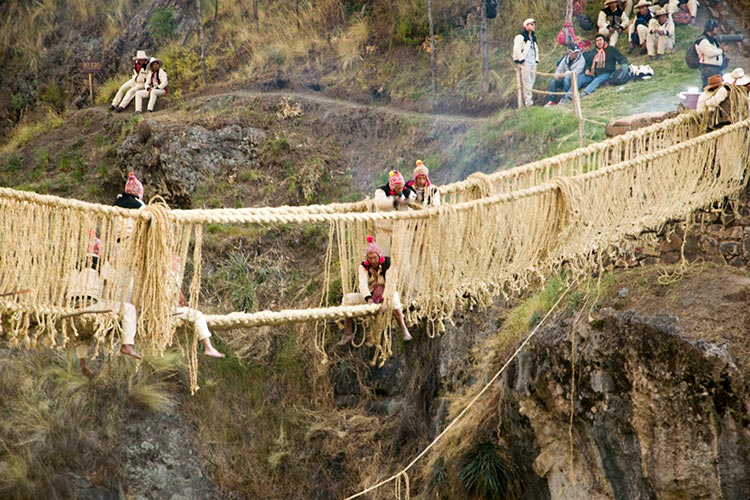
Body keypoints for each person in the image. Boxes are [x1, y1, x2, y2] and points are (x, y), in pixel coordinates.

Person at [67, 233, 141, 377]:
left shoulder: (74, 264)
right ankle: (127, 344)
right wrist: (127, 265)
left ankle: (83, 362)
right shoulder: (98, 262)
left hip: (71, 307)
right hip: (90, 304)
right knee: (129, 309)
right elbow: (117, 281)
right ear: (98, 250)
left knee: (83, 332)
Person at [338, 236, 411, 346]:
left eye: (374, 257)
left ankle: (404, 329)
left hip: (387, 294)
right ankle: (348, 332)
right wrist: (369, 299)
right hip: (371, 296)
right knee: (347, 299)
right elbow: (362, 284)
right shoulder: (363, 267)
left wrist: (385, 302)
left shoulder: (389, 263)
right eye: (370, 258)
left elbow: (391, 284)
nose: (373, 260)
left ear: (379, 255)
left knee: (395, 300)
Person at [170, 257, 224, 358]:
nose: (179, 265)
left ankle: (209, 348)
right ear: (171, 264)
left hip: (173, 309)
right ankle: (208, 348)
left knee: (196, 315)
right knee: (198, 316)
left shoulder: (174, 276)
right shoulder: (168, 276)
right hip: (170, 310)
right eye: (177, 263)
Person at [373, 169, 415, 255]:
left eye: (401, 187)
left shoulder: (406, 192)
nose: (400, 189)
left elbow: (416, 201)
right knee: (385, 259)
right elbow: (380, 203)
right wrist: (395, 202)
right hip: (384, 232)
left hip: (401, 232)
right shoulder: (381, 191)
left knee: (402, 259)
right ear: (392, 186)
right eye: (398, 188)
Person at [512, 18, 540, 108]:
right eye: (531, 24)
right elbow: (516, 48)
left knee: (532, 80)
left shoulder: (533, 38)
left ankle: (529, 101)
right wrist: (521, 59)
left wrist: (536, 60)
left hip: (532, 62)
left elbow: (536, 49)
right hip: (525, 62)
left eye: (534, 24)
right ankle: (528, 103)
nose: (533, 26)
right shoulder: (520, 37)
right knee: (527, 82)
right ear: (526, 25)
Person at [696, 19, 728, 88]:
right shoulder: (703, 40)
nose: (717, 29)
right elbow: (710, 53)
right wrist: (722, 50)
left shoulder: (711, 40)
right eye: (716, 27)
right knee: (709, 88)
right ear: (711, 28)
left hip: (715, 69)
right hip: (708, 69)